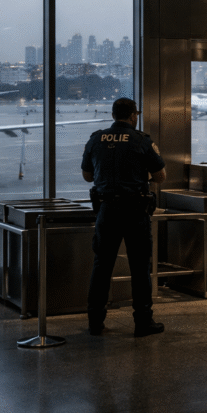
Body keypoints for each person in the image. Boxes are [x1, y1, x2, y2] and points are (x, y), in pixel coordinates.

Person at [81, 98, 167, 337]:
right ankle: (143, 322)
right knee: (139, 268)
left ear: (112, 114)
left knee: (101, 267)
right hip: (135, 211)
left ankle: (95, 322)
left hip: (106, 210)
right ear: (133, 116)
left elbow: (88, 176)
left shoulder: (96, 139)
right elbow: (160, 176)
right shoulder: (142, 141)